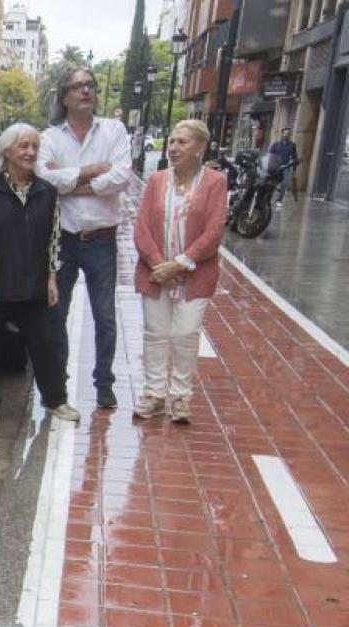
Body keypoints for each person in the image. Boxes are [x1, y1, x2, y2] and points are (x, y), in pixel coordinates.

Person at [0, 123, 81, 427]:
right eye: (23, 146)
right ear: (7, 151)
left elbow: (54, 238)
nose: (30, 152)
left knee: (45, 345)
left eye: (34, 147)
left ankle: (56, 400)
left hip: (34, 284)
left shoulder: (47, 192)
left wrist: (52, 278)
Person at [38, 67, 132, 410]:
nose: (85, 91)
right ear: (64, 96)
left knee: (105, 315)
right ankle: (57, 382)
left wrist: (75, 187)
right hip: (62, 239)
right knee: (55, 314)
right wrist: (89, 171)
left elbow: (122, 176)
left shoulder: (114, 130)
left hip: (102, 239)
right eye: (77, 87)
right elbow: (44, 180)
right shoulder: (50, 137)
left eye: (90, 85)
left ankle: (104, 383)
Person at [132, 119, 227, 424]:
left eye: (182, 142)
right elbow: (141, 226)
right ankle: (155, 395)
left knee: (185, 333)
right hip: (155, 272)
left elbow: (213, 232)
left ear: (201, 147)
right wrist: (159, 264)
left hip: (194, 273)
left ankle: (181, 397)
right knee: (155, 334)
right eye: (171, 141)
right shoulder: (157, 180)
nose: (173, 148)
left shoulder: (215, 182)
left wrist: (181, 263)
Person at [267, 127, 299, 208]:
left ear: (290, 135)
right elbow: (269, 155)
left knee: (284, 184)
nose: (286, 135)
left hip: (285, 167)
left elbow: (294, 157)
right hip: (275, 167)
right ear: (282, 134)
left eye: (287, 134)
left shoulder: (292, 145)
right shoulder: (276, 145)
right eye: (284, 133)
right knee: (270, 183)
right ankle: (268, 198)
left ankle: (279, 200)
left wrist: (294, 167)